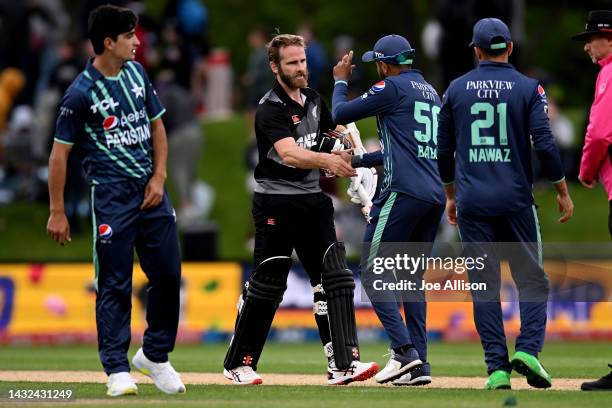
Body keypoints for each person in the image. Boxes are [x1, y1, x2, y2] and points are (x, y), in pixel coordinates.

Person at [222, 33, 378, 386]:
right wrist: (330, 161)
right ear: (275, 67)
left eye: (303, 61)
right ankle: (239, 363)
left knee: (335, 278)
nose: (299, 68)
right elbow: (291, 154)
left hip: (312, 201)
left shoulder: (313, 99)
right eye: (291, 63)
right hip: (276, 202)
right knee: (269, 283)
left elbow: (330, 135)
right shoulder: (270, 108)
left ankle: (343, 364)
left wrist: (350, 153)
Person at [46, 5, 185, 397]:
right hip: (111, 196)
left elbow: (157, 126)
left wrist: (159, 177)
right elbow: (59, 155)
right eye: (129, 37)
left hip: (151, 192)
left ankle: (155, 355)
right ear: (109, 43)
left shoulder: (138, 74)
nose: (138, 42)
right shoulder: (79, 93)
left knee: (169, 274)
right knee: (114, 283)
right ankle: (116, 369)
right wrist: (57, 211)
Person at [437, 17, 573, 390]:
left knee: (484, 286)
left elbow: (443, 150)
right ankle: (529, 350)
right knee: (532, 280)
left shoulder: (456, 89)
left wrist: (451, 196)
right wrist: (561, 188)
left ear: (477, 51)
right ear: (510, 48)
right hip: (515, 199)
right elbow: (544, 143)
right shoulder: (530, 88)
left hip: (472, 202)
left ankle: (496, 370)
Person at [332, 34, 445, 386]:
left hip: (403, 192)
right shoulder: (430, 92)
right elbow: (411, 149)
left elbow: (340, 112)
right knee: (410, 280)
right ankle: (420, 365)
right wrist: (362, 159)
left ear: (384, 64)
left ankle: (403, 353)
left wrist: (339, 80)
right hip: (433, 195)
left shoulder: (391, 87)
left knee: (372, 271)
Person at [571, 9, 612, 392]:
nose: (586, 46)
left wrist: (586, 170)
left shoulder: (609, 72)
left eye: (590, 38)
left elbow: (600, 133)